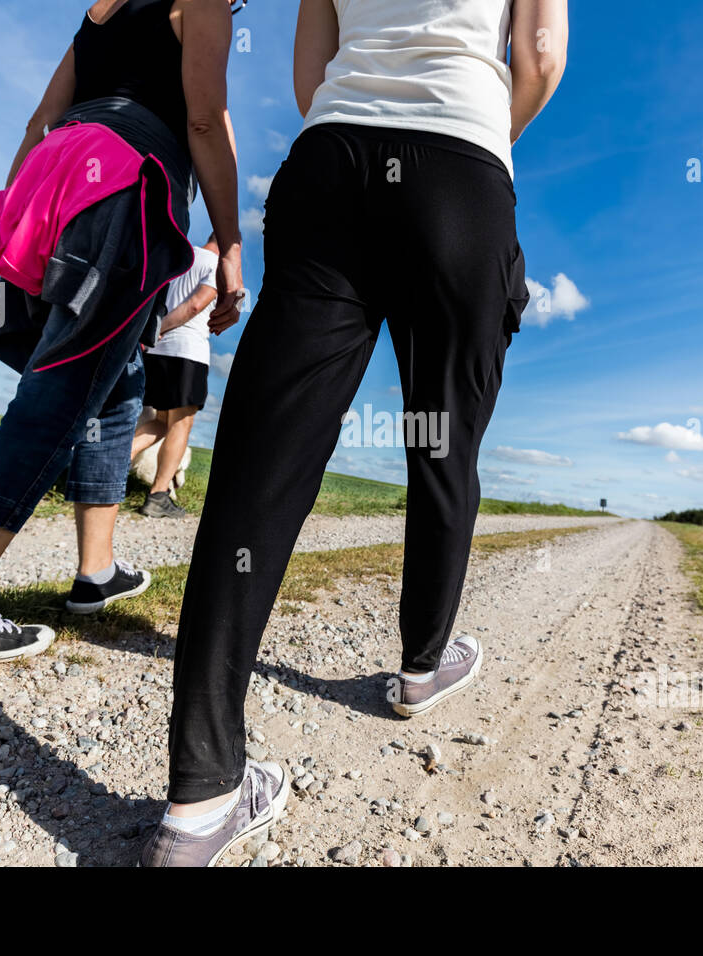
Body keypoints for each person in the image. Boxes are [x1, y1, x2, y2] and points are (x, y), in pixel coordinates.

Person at [142, 0, 568, 867]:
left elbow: (312, 72)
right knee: (441, 446)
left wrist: (367, 118)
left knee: (262, 459)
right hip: (463, 167)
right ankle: (422, 662)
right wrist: (479, 130)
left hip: (332, 163)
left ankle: (200, 796)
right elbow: (542, 56)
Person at [0, 0, 246, 672]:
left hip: (56, 177)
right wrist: (231, 245)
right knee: (59, 395)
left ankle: (96, 570)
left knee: (118, 385)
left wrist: (1, 219)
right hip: (124, 187)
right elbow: (201, 119)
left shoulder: (101, 10)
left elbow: (39, 120)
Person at [130, 235, 220, 519]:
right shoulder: (218, 265)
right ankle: (158, 495)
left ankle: (106, 471)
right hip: (187, 351)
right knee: (181, 424)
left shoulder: (182, 257)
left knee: (160, 421)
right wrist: (163, 328)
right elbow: (196, 305)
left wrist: (153, 333)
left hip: (158, 352)